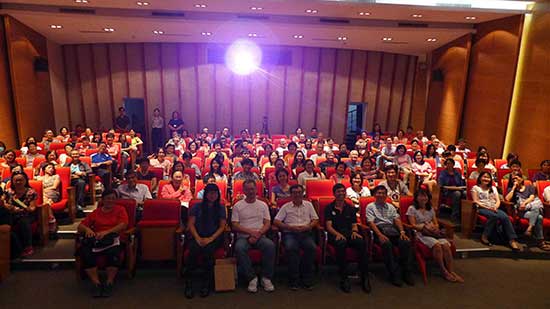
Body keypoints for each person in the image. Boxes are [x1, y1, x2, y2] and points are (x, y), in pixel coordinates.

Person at [77, 190, 129, 298]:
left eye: (113, 198)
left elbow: (123, 225)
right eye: (108, 198)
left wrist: (107, 232)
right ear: (103, 200)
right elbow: (81, 226)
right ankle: (96, 283)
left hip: (115, 239)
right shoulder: (96, 212)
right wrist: (87, 230)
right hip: (98, 239)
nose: (110, 201)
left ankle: (109, 282)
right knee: (86, 252)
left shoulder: (120, 210)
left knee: (113, 253)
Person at [406, 189, 464, 282]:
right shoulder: (412, 209)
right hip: (421, 234)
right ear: (416, 198)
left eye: (425, 196)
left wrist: (434, 227)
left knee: (445, 245)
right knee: (437, 245)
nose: (423, 198)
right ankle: (443, 271)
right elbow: (413, 225)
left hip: (433, 233)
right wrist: (424, 226)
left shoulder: (430, 208)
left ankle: (451, 271)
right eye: (420, 196)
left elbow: (436, 223)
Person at [231, 180, 276, 293]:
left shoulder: (263, 204)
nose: (250, 191)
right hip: (244, 236)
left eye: (252, 189)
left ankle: (266, 277)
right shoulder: (238, 205)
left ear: (256, 190)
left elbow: (267, 223)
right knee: (239, 248)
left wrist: (258, 234)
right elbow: (235, 225)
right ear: (244, 190)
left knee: (270, 246)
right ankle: (252, 278)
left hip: (260, 235)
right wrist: (251, 233)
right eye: (248, 189)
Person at [184, 183, 227, 298]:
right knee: (193, 250)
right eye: (210, 193)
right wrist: (198, 238)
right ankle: (189, 283)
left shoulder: (221, 207)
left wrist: (210, 239)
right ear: (205, 194)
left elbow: (222, 227)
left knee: (208, 251)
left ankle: (205, 283)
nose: (212, 195)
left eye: (215, 193)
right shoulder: (196, 207)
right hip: (198, 235)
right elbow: (191, 224)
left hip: (214, 237)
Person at [325, 183, 370, 293]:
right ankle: (343, 277)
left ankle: (364, 276)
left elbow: (354, 224)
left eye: (343, 191)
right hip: (335, 234)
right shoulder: (329, 207)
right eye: (338, 191)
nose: (341, 193)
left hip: (349, 233)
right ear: (334, 194)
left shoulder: (350, 208)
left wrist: (355, 231)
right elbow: (328, 226)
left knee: (361, 242)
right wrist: (337, 234)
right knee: (341, 244)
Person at [366, 185, 414, 287]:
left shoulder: (391, 206)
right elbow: (371, 223)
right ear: (374, 194)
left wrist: (402, 232)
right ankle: (394, 273)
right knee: (387, 245)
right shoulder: (370, 206)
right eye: (379, 193)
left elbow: (397, 219)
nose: (381, 195)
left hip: (392, 230)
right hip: (379, 230)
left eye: (383, 193)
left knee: (405, 242)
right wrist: (379, 235)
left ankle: (406, 271)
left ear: (386, 195)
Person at [274, 184, 319, 290]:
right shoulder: (286, 206)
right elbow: (276, 221)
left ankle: (306, 278)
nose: (297, 195)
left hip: (306, 232)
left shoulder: (308, 205)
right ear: (291, 194)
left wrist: (308, 226)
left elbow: (315, 219)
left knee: (311, 248)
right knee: (291, 248)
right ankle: (294, 280)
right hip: (290, 233)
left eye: (299, 192)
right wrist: (288, 227)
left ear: (302, 193)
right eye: (294, 193)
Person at [472, 171, 520, 250]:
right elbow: (476, 201)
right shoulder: (476, 188)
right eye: (484, 177)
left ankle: (512, 240)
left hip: (493, 208)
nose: (486, 179)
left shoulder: (493, 188)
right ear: (480, 178)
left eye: (488, 177)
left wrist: (495, 207)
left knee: (505, 217)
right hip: (482, 208)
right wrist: (488, 208)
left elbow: (498, 200)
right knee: (494, 216)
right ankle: (485, 236)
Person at [504, 175, 550, 250]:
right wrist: (513, 188)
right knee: (539, 217)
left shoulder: (529, 187)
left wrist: (524, 203)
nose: (515, 179)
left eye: (516, 177)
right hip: (522, 212)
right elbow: (507, 199)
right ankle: (541, 242)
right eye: (513, 179)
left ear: (521, 179)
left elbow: (532, 197)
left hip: (530, 207)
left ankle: (530, 227)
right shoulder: (511, 188)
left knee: (537, 211)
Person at [0, 172, 38, 257]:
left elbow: (32, 208)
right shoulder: (9, 191)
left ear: (25, 181)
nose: (18, 182)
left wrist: (22, 207)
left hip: (27, 214)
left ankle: (28, 246)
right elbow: (3, 203)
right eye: (16, 180)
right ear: (12, 181)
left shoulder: (31, 192)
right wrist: (9, 207)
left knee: (23, 221)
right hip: (11, 213)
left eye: (20, 180)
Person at [65, 150, 91, 215]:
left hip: (80, 179)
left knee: (81, 183)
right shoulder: (67, 164)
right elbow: (63, 172)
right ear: (71, 156)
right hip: (70, 180)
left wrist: (81, 173)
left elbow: (90, 171)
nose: (75, 155)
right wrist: (72, 175)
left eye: (76, 154)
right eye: (73, 154)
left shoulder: (83, 164)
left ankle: (79, 205)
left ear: (79, 155)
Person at [39, 163, 61, 233]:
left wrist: (43, 190)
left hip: (53, 193)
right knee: (46, 202)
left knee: (43, 197)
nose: (51, 169)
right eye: (49, 168)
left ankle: (48, 222)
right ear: (44, 169)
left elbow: (54, 187)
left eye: (52, 168)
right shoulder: (39, 178)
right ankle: (51, 219)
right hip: (43, 195)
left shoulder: (56, 176)